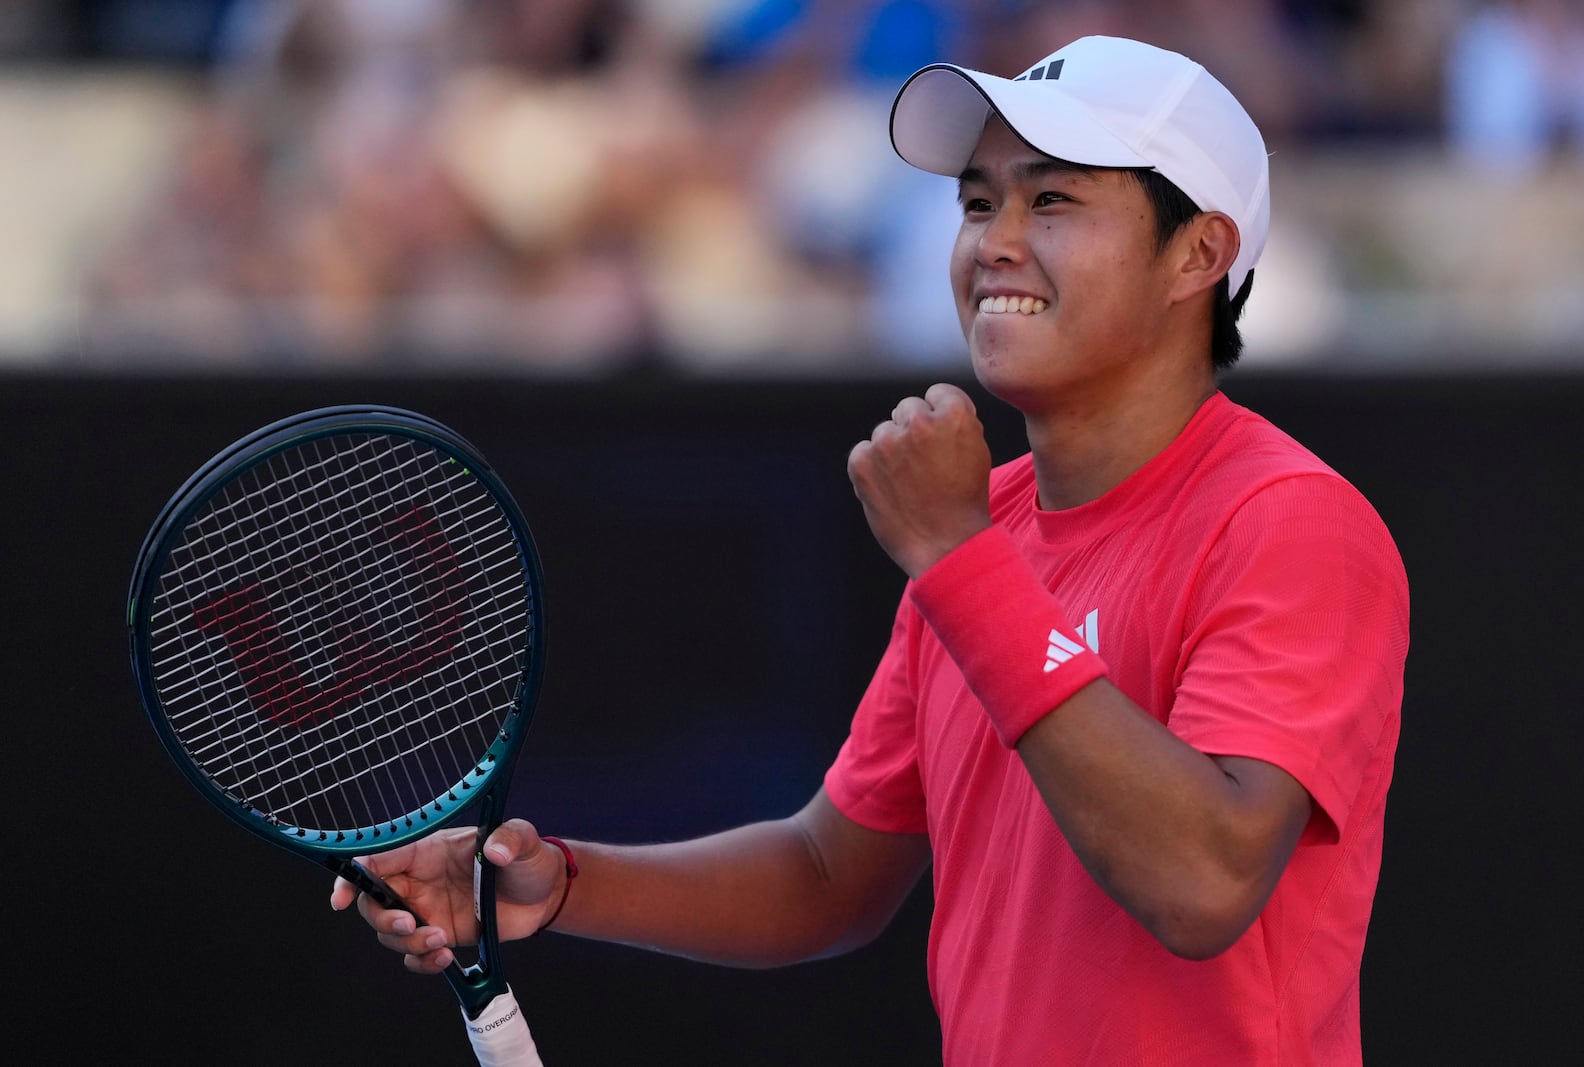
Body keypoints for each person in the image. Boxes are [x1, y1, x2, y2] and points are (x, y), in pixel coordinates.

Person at [332, 35, 1409, 1064]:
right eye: (977, 201)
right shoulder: (981, 530)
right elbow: (829, 872)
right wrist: (561, 881)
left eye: (1052, 198)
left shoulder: (1286, 518)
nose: (993, 239)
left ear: (1199, 253)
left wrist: (959, 561)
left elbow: (1204, 881)